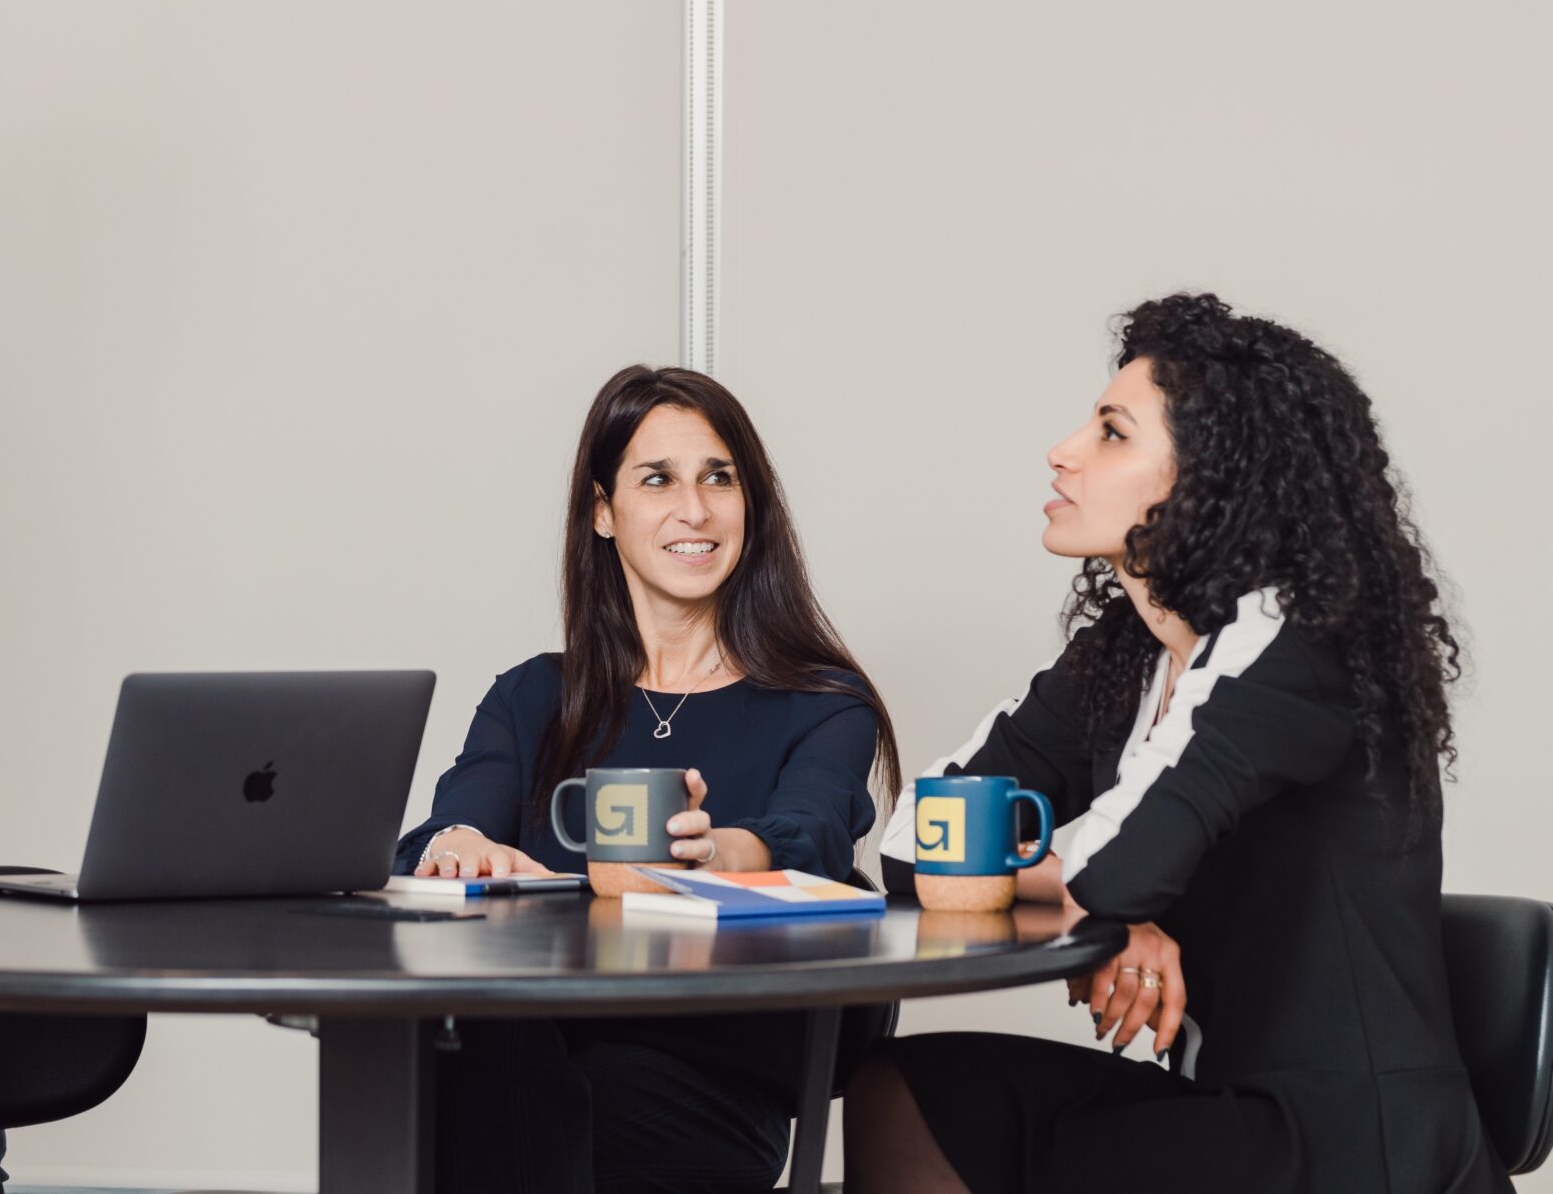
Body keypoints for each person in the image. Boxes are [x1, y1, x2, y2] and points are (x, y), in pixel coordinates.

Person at [846, 292, 1508, 1194]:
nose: (1064, 450)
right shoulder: (1124, 658)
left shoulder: (1295, 641)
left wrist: (1110, 904)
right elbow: (907, 844)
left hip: (1358, 1143)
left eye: (1112, 433)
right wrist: (1116, 911)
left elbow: (1107, 872)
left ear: (1206, 480)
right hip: (1226, 1112)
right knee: (915, 1089)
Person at [400, 364, 902, 1193]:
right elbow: (443, 835)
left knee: (472, 1098)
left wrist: (718, 856)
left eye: (719, 478)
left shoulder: (821, 701)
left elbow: (810, 838)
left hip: (705, 1083)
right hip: (526, 1048)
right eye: (658, 479)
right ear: (603, 510)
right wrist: (456, 846)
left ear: (752, 504)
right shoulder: (533, 696)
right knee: (475, 1060)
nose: (695, 509)